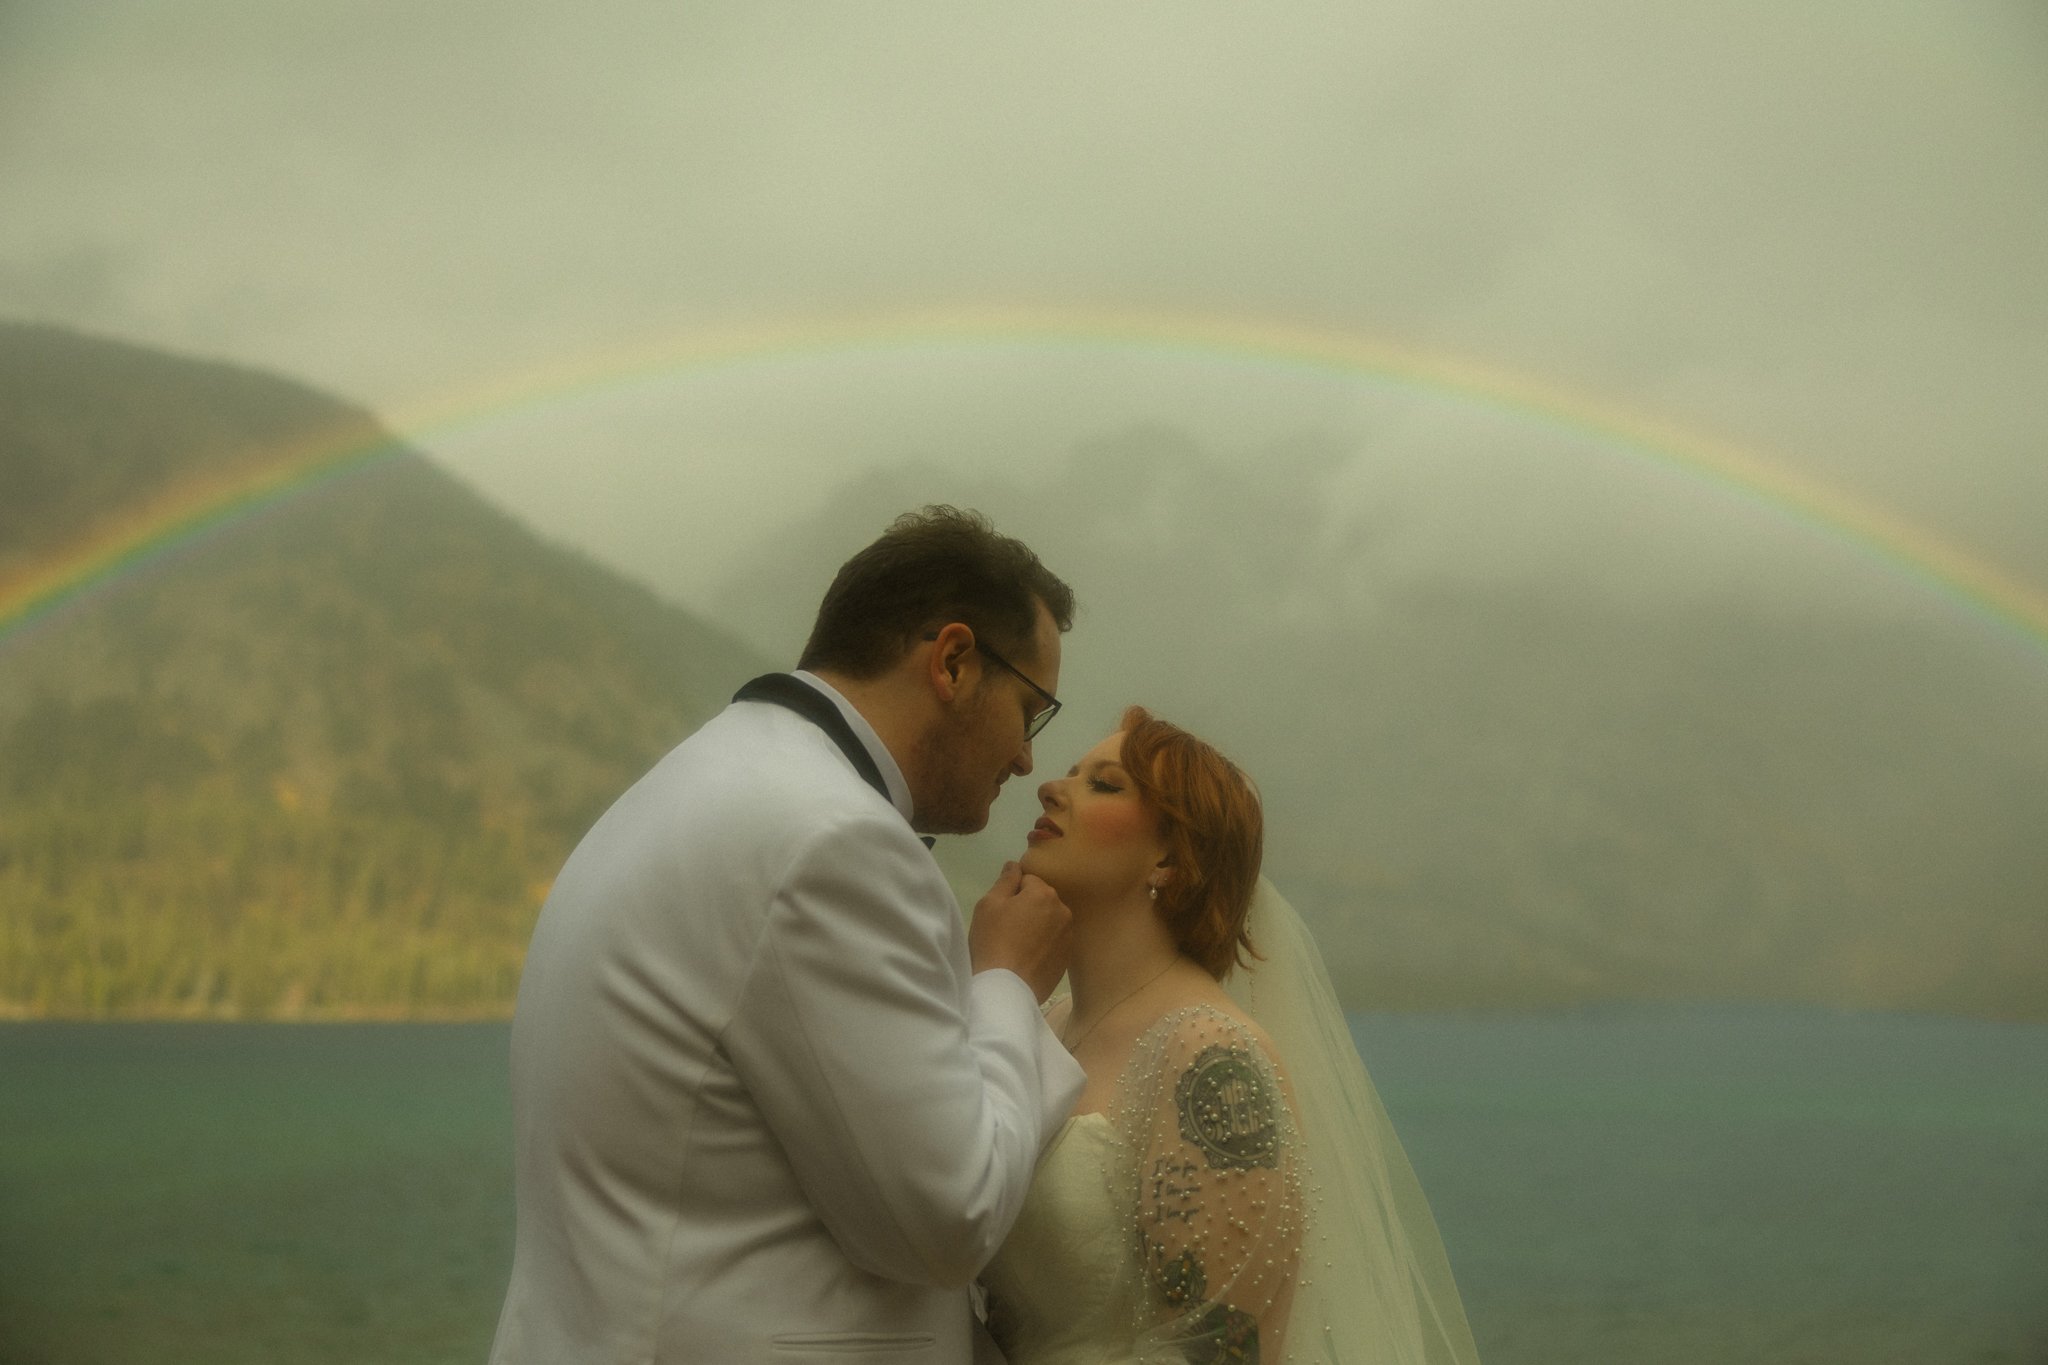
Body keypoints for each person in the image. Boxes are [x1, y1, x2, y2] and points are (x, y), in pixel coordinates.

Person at [489, 507, 1088, 1364]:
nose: (1029, 761)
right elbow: (947, 1221)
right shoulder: (832, 839)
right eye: (1030, 711)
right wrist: (1007, 984)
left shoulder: (699, 781)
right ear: (954, 662)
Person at [979, 708, 1481, 1365]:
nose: (1051, 787)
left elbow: (1223, 1351)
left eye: (1104, 784)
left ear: (1169, 856)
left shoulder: (1210, 1054)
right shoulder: (1042, 1021)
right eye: (1071, 773)